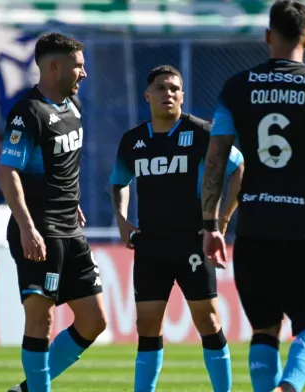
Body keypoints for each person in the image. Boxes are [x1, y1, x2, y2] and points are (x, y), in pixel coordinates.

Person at [201, 0, 305, 392]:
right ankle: (287, 388)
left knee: (265, 328)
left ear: (268, 36)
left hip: (254, 227)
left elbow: (216, 159)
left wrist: (212, 224)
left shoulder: (236, 88)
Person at [109, 65, 244, 392]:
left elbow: (239, 168)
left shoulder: (202, 133)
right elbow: (118, 182)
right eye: (161, 88)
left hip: (191, 243)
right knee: (147, 327)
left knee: (208, 321)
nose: (168, 94)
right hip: (151, 245)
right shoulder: (133, 140)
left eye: (174, 89)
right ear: (148, 95)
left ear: (182, 95)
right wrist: (122, 220)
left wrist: (220, 222)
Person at [0, 33, 107, 392]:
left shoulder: (72, 107)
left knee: (94, 320)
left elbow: (61, 164)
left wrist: (71, 199)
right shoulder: (27, 112)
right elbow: (8, 171)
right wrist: (27, 227)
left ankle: (26, 390)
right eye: (78, 65)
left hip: (70, 229)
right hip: (40, 230)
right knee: (40, 319)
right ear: (54, 67)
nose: (84, 73)